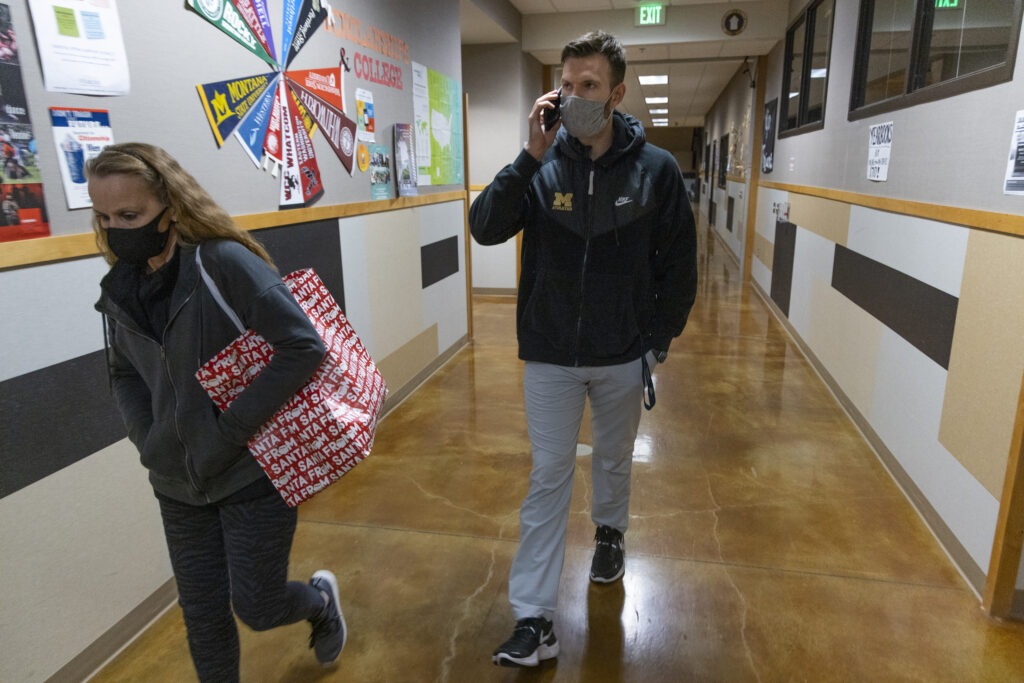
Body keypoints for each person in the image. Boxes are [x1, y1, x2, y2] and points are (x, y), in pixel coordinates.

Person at [469, 31, 698, 667]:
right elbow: (485, 227)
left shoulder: (656, 171)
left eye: (589, 86)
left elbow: (680, 268)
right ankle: (534, 619)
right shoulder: (541, 166)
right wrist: (526, 157)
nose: (574, 97)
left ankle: (610, 532)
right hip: (549, 353)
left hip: (623, 353)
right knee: (547, 476)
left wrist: (655, 345)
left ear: (617, 93)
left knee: (615, 459)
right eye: (566, 85)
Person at [90, 143, 346, 682]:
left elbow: (303, 345)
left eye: (130, 216)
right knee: (203, 616)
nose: (116, 229)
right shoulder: (120, 291)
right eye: (105, 217)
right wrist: (148, 438)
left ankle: (319, 603)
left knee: (256, 607)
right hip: (176, 483)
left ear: (171, 208)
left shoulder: (224, 264)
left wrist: (228, 431)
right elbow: (123, 374)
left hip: (250, 473)